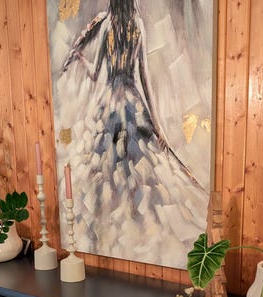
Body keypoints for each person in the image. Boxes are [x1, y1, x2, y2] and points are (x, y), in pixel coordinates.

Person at [57, 0, 208, 268]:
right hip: (133, 104)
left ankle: (111, 231)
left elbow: (96, 75)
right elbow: (144, 79)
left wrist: (80, 58)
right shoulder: (137, 26)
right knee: (140, 173)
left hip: (109, 107)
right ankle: (139, 228)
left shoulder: (106, 26)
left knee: (106, 174)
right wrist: (158, 126)